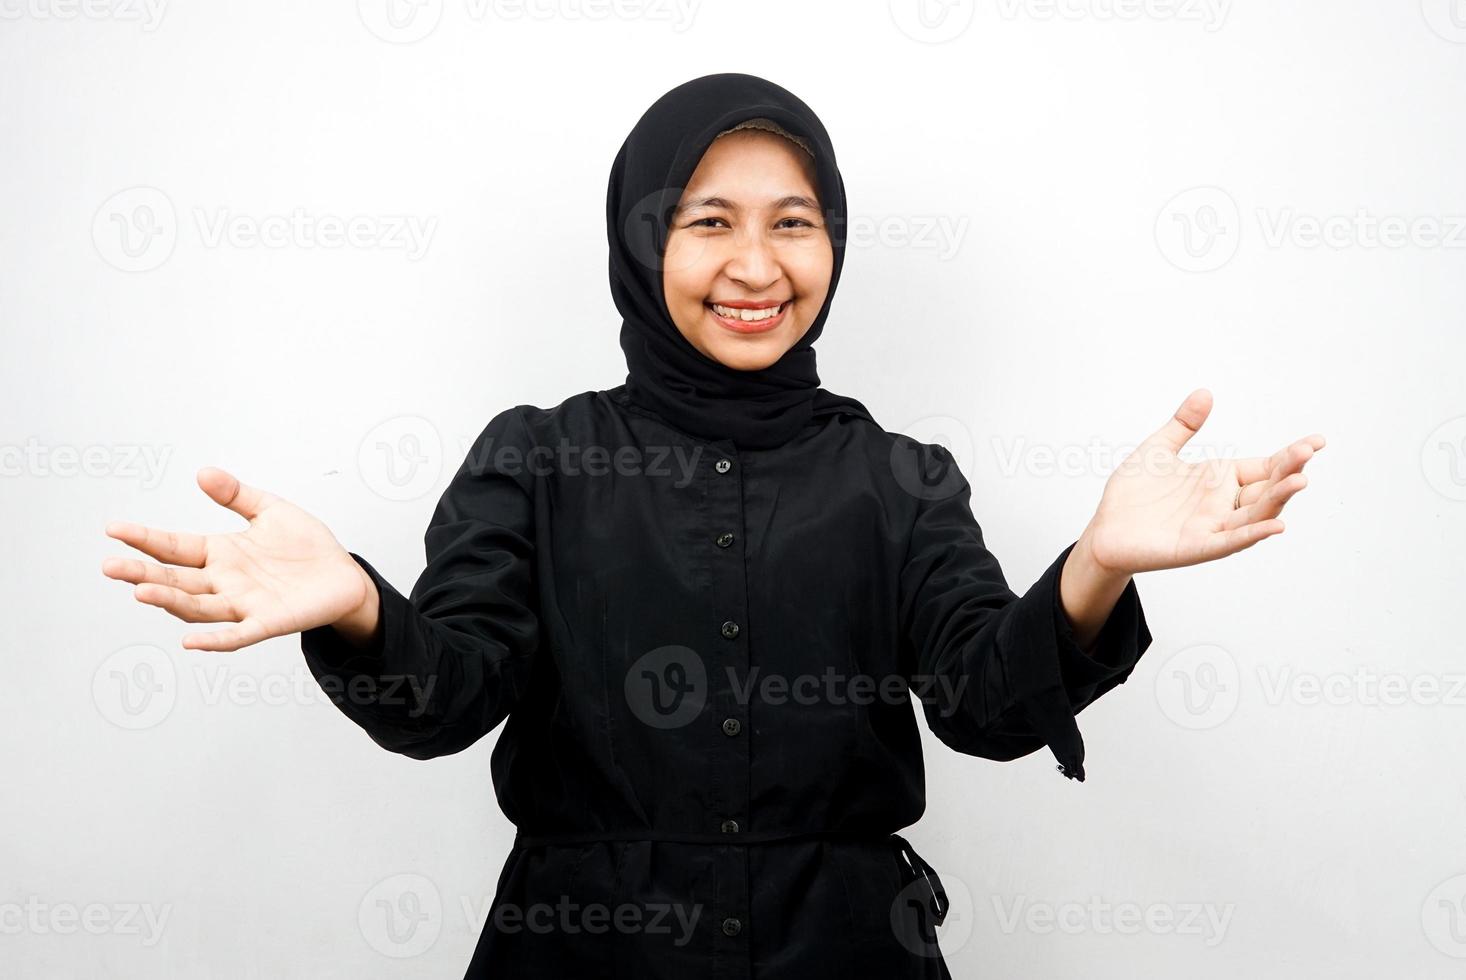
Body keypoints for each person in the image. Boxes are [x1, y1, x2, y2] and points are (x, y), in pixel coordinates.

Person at [101, 72, 1324, 979]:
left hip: (848, 953)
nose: (757, 263)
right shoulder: (536, 457)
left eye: (793, 221)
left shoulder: (898, 478)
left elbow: (986, 703)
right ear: (644, 241)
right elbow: (445, 698)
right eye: (708, 220)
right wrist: (364, 606)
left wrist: (1096, 562)